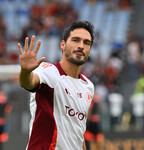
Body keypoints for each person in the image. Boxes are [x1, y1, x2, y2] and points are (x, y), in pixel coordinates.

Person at [18, 20, 95, 150]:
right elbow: (28, 83)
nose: (81, 46)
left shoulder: (88, 86)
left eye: (86, 43)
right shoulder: (49, 71)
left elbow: (78, 132)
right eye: (76, 40)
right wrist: (25, 71)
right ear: (63, 45)